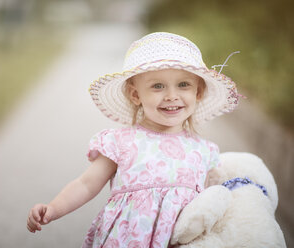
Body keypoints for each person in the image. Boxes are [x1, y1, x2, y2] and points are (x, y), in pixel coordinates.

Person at [26, 32, 240, 247]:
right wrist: (53, 208)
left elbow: (210, 204)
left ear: (198, 92)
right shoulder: (120, 142)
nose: (171, 95)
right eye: (158, 86)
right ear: (135, 95)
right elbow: (86, 184)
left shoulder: (203, 150)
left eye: (183, 84)